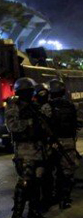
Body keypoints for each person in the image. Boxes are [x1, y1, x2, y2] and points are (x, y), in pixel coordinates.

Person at [5, 77, 50, 218]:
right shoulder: (13, 106)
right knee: (25, 181)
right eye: (28, 91)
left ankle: (34, 210)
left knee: (37, 180)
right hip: (24, 149)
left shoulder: (34, 105)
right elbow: (12, 126)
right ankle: (17, 215)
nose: (31, 94)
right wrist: (30, 123)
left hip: (38, 147)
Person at [41, 79, 82, 210]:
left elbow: (42, 126)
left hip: (52, 143)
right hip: (68, 142)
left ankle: (50, 199)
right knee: (67, 172)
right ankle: (64, 199)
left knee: (49, 170)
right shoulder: (71, 105)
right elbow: (76, 124)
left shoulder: (47, 107)